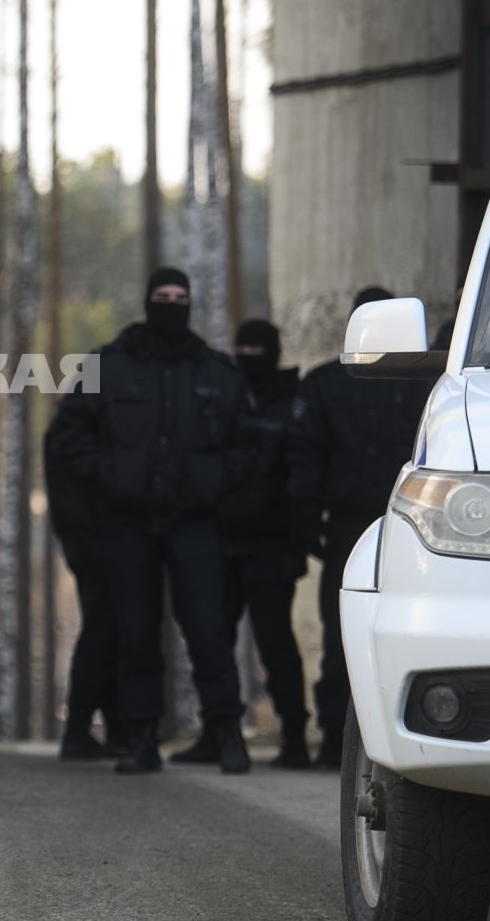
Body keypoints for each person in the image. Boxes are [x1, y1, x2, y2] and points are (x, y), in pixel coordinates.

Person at [49, 266, 257, 776]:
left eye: (180, 296)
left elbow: (247, 440)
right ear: (148, 301)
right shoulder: (108, 366)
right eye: (163, 296)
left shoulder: (214, 371)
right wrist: (107, 476)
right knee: (135, 631)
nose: (172, 303)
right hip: (129, 522)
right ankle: (140, 738)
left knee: (208, 631)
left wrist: (216, 483)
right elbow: (70, 432)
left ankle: (227, 731)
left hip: (194, 522)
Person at [288, 286, 430, 768]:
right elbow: (305, 457)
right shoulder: (332, 384)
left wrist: (308, 518)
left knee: (354, 636)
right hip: (381, 525)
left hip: (404, 523)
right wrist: (307, 518)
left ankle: (347, 742)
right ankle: (339, 740)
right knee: (344, 638)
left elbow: (304, 460)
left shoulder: (331, 382)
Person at [174, 318, 310, 770]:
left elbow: (299, 482)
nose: (249, 357)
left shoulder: (293, 403)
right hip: (220, 541)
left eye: (258, 349)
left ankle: (294, 736)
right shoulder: (222, 397)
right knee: (211, 641)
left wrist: (296, 544)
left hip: (269, 547)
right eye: (243, 349)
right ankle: (217, 732)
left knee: (275, 645)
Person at [48, 415, 123, 760]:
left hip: (92, 543)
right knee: (103, 633)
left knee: (108, 633)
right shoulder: (74, 430)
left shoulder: (69, 427)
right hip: (95, 545)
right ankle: (81, 728)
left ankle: (105, 728)